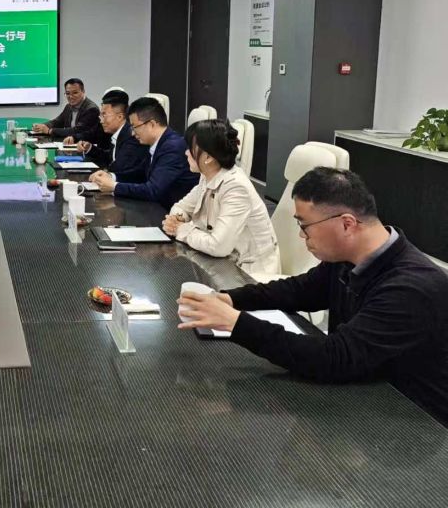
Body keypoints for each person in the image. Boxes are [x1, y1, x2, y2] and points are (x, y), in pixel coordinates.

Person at [177, 168, 448, 427]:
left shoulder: (411, 289)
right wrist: (231, 299)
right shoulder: (347, 258)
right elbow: (299, 290)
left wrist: (236, 323)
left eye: (304, 225)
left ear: (347, 224)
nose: (300, 235)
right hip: (360, 397)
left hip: (411, 424)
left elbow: (334, 358)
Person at [162, 120, 280, 277]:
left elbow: (218, 246)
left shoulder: (236, 187)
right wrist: (177, 219)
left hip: (250, 273)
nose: (186, 153)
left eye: (190, 149)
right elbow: (181, 207)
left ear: (208, 157)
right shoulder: (208, 175)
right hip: (221, 264)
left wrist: (181, 229)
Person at [89, 96, 198, 209]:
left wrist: (114, 187)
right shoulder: (158, 143)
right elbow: (140, 174)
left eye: (134, 127)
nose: (132, 133)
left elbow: (153, 190)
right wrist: (112, 176)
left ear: (151, 124)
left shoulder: (173, 147)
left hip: (169, 211)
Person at [73, 90, 148, 184]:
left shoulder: (131, 137)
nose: (101, 121)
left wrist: (106, 174)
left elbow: (119, 168)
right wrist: (90, 148)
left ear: (120, 117)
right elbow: (111, 158)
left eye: (104, 115)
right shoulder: (120, 133)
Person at [32, 78, 99, 140]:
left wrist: (50, 131)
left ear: (83, 91)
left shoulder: (91, 109)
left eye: (75, 93)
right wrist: (42, 126)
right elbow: (57, 122)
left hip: (86, 146)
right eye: (67, 93)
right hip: (70, 144)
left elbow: (77, 131)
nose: (71, 96)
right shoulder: (68, 106)